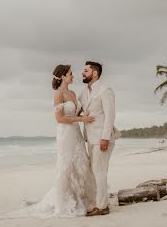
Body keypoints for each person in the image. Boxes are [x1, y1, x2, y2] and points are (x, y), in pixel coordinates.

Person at [27, 64, 96, 218]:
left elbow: (77, 111)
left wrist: (86, 113)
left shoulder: (72, 92)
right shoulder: (58, 94)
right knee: (67, 165)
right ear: (63, 76)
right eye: (70, 73)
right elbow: (60, 119)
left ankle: (83, 198)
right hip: (65, 134)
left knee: (81, 162)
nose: (73, 76)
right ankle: (65, 201)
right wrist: (81, 118)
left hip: (75, 133)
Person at [78, 61, 118, 217]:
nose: (82, 73)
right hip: (90, 138)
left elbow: (110, 115)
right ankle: (98, 202)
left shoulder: (105, 90)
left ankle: (102, 207)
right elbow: (77, 109)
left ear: (94, 73)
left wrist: (105, 138)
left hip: (102, 138)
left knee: (99, 172)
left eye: (86, 70)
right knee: (95, 172)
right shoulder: (84, 92)